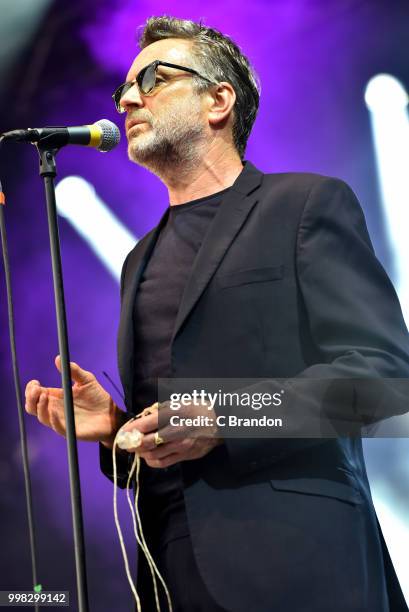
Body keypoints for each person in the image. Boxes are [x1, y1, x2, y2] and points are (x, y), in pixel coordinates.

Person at [24, 15, 409, 612]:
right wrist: (119, 430)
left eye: (153, 77)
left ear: (218, 100)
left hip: (302, 563)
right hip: (174, 576)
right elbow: (175, 435)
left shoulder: (302, 205)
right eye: (123, 87)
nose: (128, 98)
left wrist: (226, 416)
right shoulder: (137, 260)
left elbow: (383, 378)